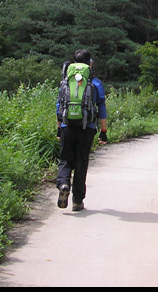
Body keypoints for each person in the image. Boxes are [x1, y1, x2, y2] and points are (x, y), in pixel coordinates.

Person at [56, 49, 108, 212]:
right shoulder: (95, 83)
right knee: (81, 162)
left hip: (67, 126)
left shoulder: (65, 81)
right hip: (87, 128)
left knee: (65, 159)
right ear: (90, 63)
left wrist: (59, 129)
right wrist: (103, 131)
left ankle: (64, 184)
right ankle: (77, 201)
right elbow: (102, 107)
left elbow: (59, 106)